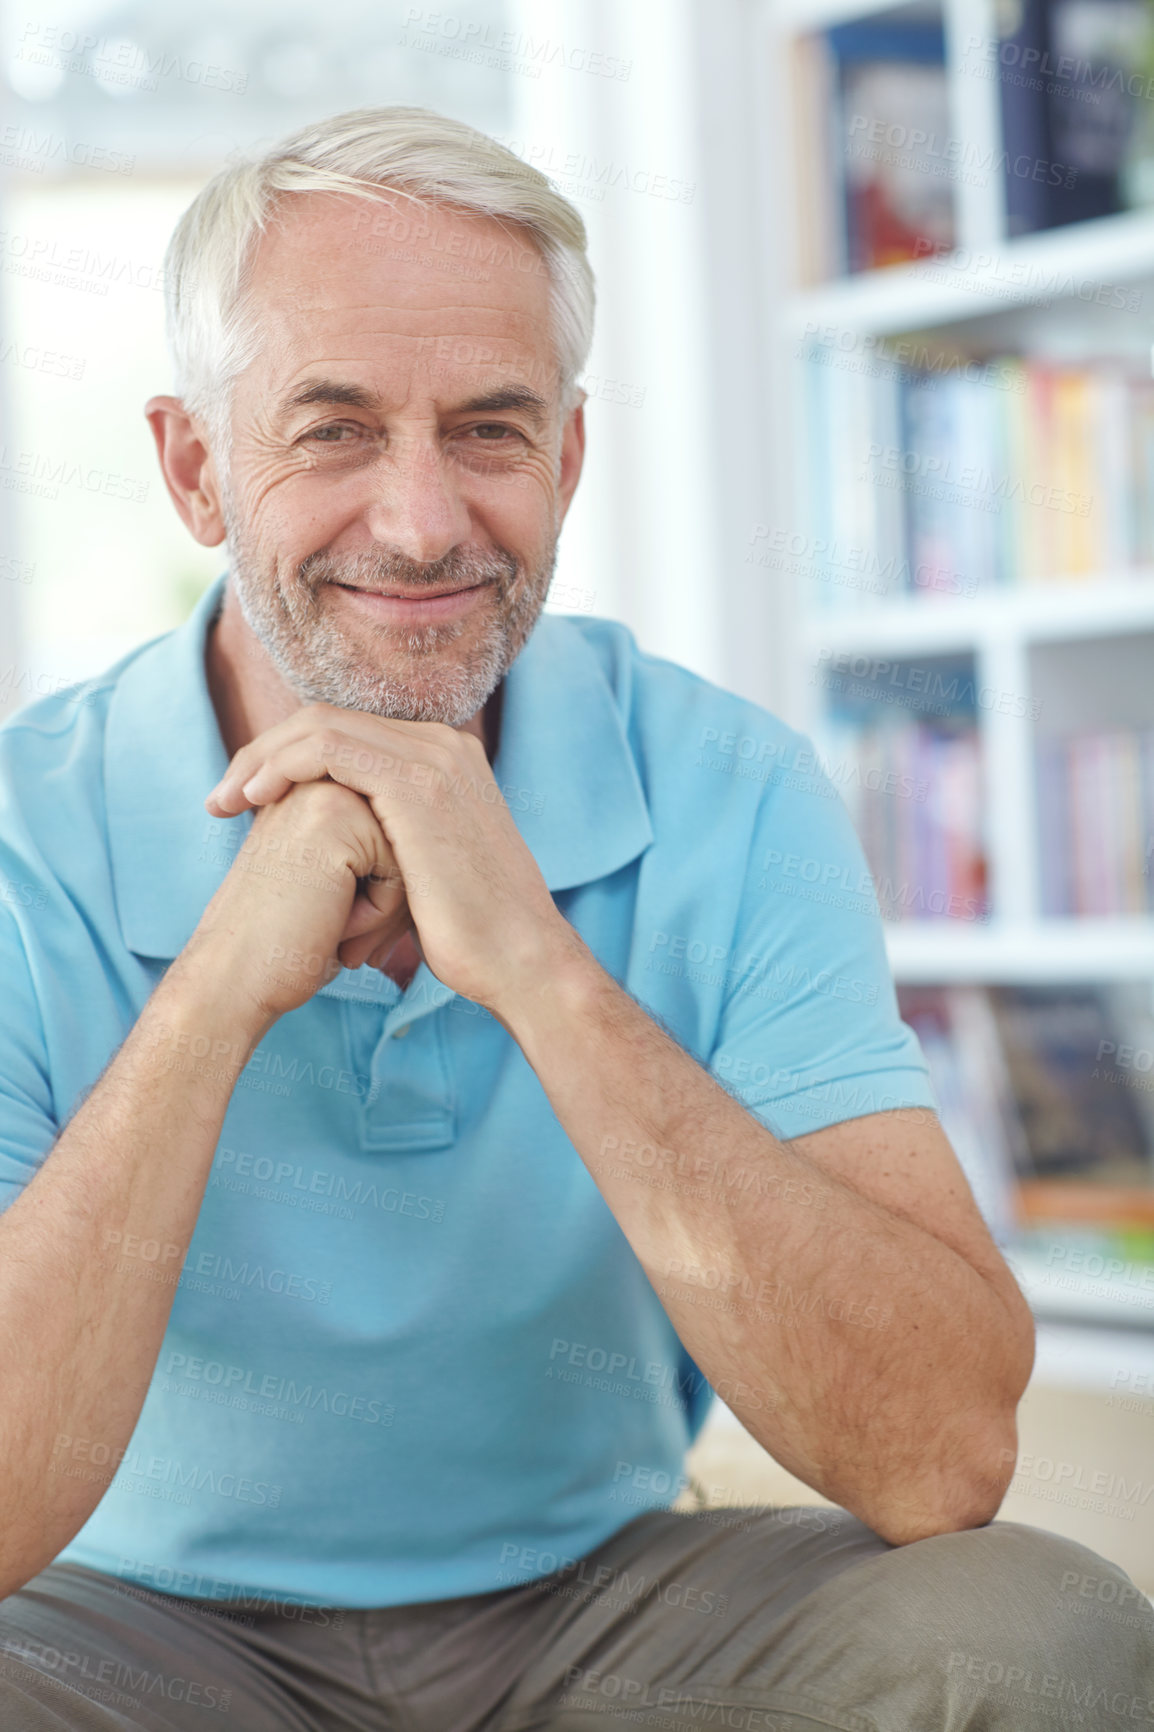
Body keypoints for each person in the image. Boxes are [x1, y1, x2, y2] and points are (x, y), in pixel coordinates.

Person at [0, 105, 1148, 1732]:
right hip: (129, 1633)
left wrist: (538, 968)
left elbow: (941, 1450)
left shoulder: (732, 788)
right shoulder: (19, 829)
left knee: (1036, 1628)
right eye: (330, 431)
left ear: (569, 459)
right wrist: (210, 998)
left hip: (600, 1614)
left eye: (488, 430)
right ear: (193, 466)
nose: (420, 522)